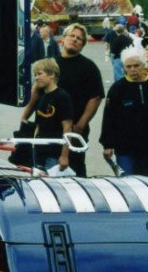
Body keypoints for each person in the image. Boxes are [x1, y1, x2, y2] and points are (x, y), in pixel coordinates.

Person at [56, 22, 105, 176]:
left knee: (75, 171)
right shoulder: (52, 64)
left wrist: (81, 125)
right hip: (50, 127)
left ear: (83, 45)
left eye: (80, 39)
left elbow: (95, 98)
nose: (75, 39)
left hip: (75, 129)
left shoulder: (89, 67)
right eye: (72, 36)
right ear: (63, 39)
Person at [100, 46, 148, 174]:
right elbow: (109, 117)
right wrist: (107, 145)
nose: (132, 69)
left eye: (136, 65)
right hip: (125, 147)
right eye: (128, 66)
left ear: (143, 65)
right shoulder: (117, 88)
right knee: (128, 181)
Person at [19, 58, 73, 172]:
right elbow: (38, 125)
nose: (36, 77)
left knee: (50, 180)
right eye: (35, 75)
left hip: (54, 151)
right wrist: (34, 146)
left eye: (39, 74)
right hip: (38, 150)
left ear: (52, 74)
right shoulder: (42, 97)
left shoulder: (62, 97)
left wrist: (64, 155)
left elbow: (67, 128)